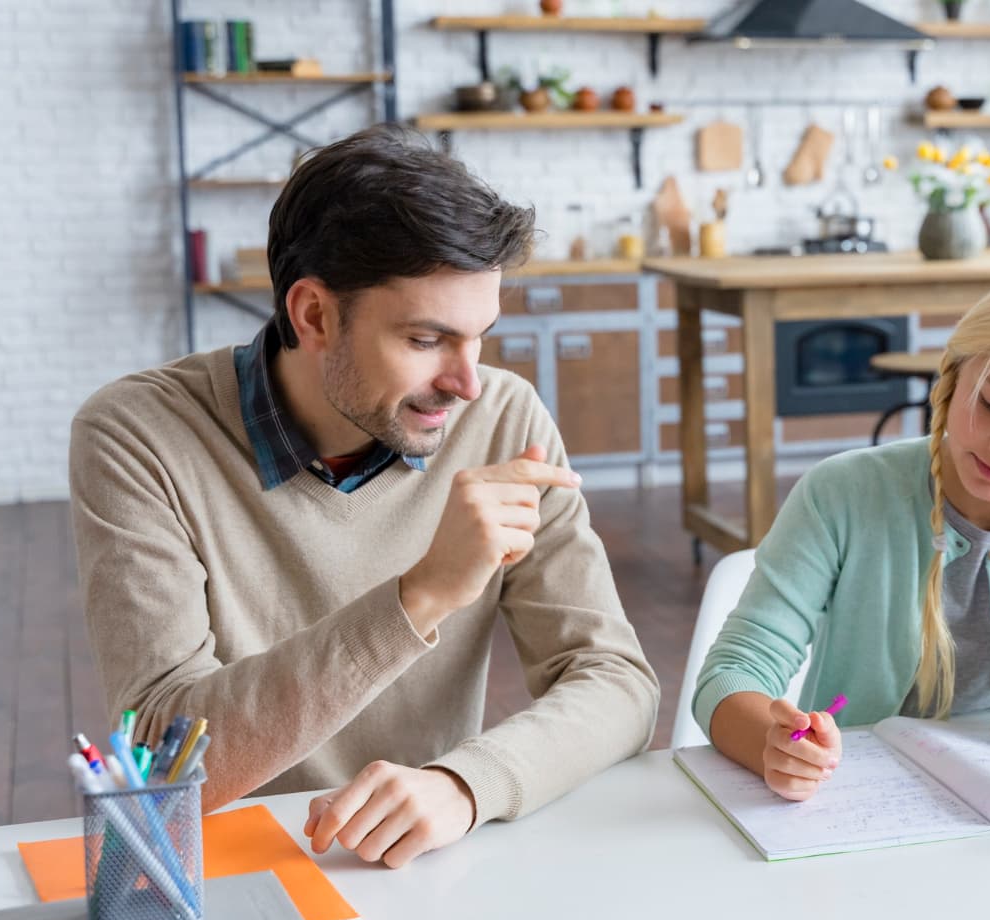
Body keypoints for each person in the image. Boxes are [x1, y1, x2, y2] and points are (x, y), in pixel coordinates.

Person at [69, 124, 658, 866]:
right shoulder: (139, 436)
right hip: (232, 875)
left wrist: (465, 786)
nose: (467, 383)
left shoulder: (503, 417)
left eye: (479, 337)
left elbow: (615, 682)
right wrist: (420, 597)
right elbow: (162, 762)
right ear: (314, 315)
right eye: (426, 340)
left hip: (427, 862)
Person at [692, 263, 990, 801]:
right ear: (954, 376)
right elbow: (734, 671)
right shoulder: (844, 493)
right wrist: (770, 745)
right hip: (857, 805)